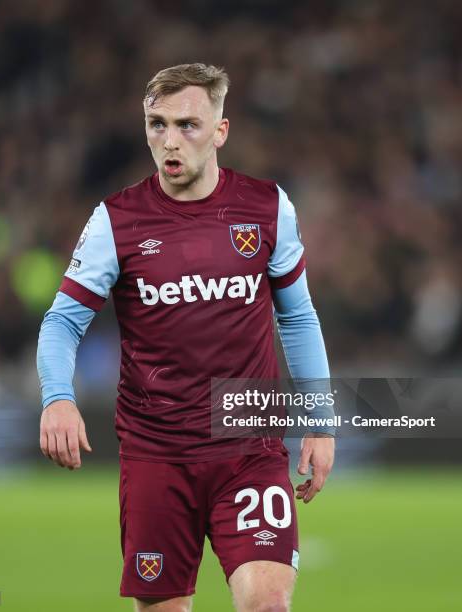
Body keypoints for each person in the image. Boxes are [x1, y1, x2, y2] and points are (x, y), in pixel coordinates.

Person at [37, 63, 335, 612]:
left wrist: (319, 418)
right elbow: (62, 321)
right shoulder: (115, 221)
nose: (169, 141)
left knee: (267, 603)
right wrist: (57, 397)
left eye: (187, 125)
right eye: (156, 124)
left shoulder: (267, 208)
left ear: (221, 131)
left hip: (250, 446)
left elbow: (297, 317)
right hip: (158, 455)